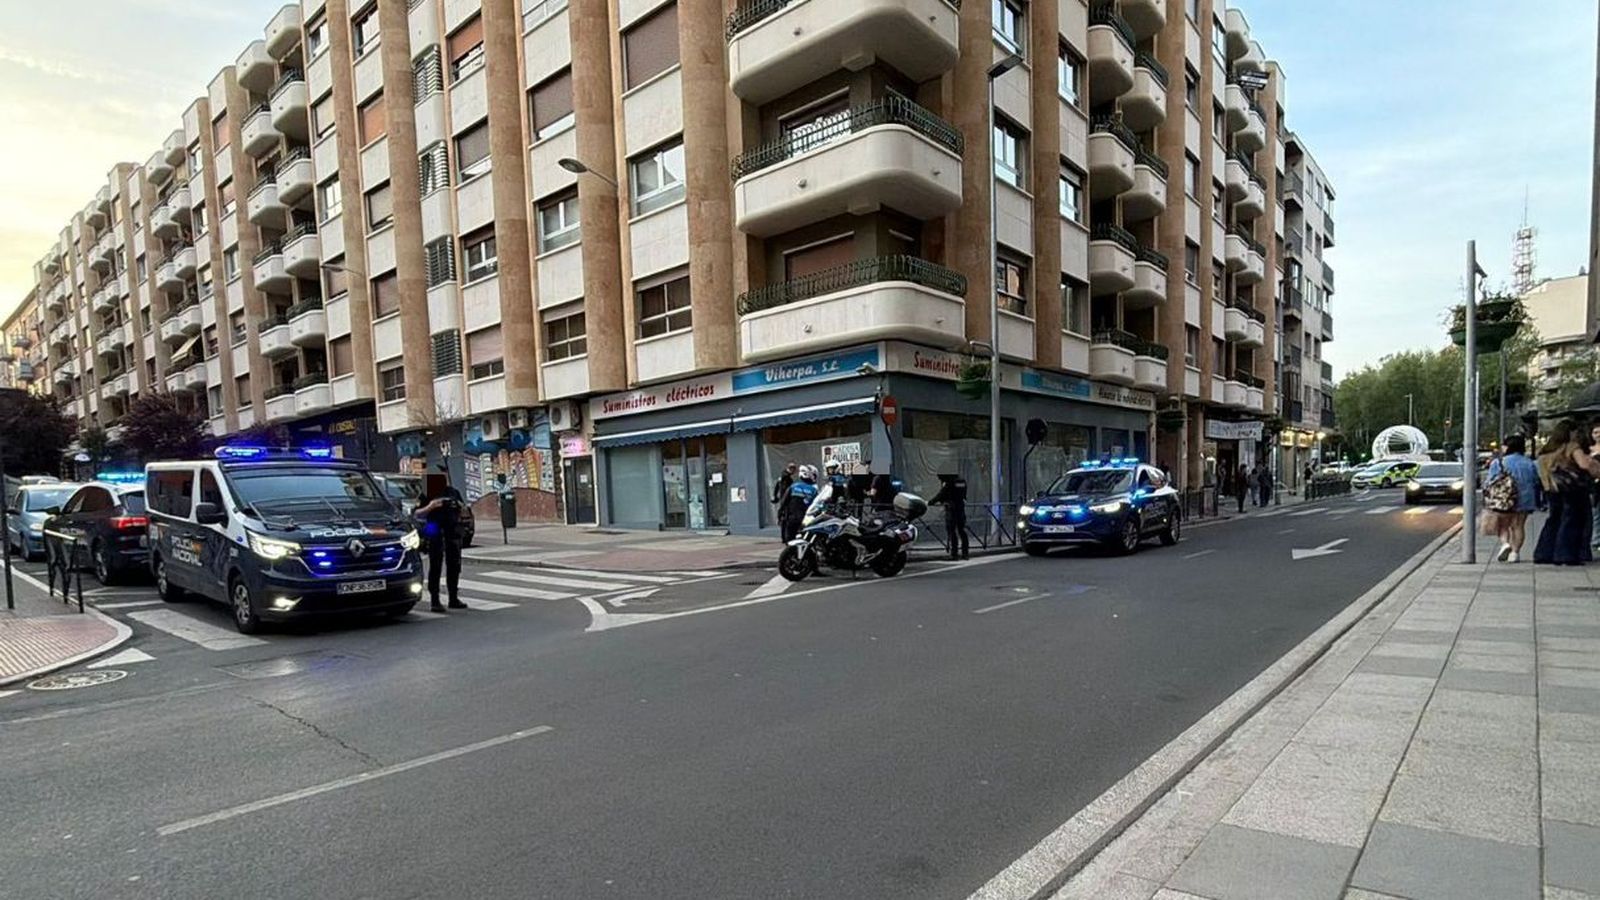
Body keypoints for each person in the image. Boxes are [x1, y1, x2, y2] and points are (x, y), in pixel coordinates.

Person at [1534, 421, 1600, 566]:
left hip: (1552, 489)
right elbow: (1584, 464)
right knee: (1571, 520)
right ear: (1570, 432)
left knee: (1554, 519)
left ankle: (1544, 552)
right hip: (1572, 488)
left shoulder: (1547, 451)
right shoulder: (1571, 447)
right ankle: (1566, 554)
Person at [416, 470, 467, 612]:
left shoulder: (453, 492)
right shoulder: (428, 492)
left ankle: (453, 598)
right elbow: (417, 513)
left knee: (454, 564)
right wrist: (431, 506)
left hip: (451, 528)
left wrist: (459, 507)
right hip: (433, 526)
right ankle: (435, 600)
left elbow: (463, 509)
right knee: (436, 563)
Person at [1487, 434, 1540, 562]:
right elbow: (1536, 481)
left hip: (1504, 498)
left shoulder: (1498, 462)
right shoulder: (1529, 463)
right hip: (1525, 498)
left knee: (1502, 525)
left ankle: (1505, 544)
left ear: (1507, 447)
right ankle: (1515, 553)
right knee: (1519, 526)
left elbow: (1490, 481)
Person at [929, 473, 969, 560]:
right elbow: (964, 494)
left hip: (952, 509)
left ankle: (954, 554)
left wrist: (930, 502)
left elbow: (941, 495)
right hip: (961, 508)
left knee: (952, 531)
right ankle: (965, 553)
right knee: (962, 531)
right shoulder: (962, 481)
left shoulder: (950, 483)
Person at [780, 465, 818, 542]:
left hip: (791, 518)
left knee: (790, 540)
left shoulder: (793, 486)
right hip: (805, 520)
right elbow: (817, 504)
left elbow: (784, 502)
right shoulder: (814, 489)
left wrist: (781, 513)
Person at [771, 462, 797, 539]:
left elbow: (777, 487)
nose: (794, 471)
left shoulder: (783, 477)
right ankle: (785, 536)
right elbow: (783, 488)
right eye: (793, 469)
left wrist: (775, 496)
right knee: (786, 517)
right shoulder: (786, 477)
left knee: (784, 517)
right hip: (786, 499)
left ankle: (784, 536)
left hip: (784, 499)